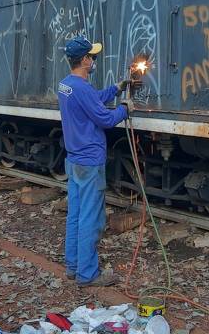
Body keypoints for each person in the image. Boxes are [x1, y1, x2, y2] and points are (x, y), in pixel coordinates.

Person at [57, 35, 132, 287]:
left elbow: (91, 100)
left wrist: (116, 88)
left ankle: (73, 266)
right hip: (90, 161)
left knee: (76, 215)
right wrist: (125, 108)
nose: (94, 60)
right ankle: (88, 275)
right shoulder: (82, 88)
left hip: (75, 160)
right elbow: (106, 120)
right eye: (93, 56)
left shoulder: (66, 85)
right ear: (85, 60)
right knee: (91, 217)